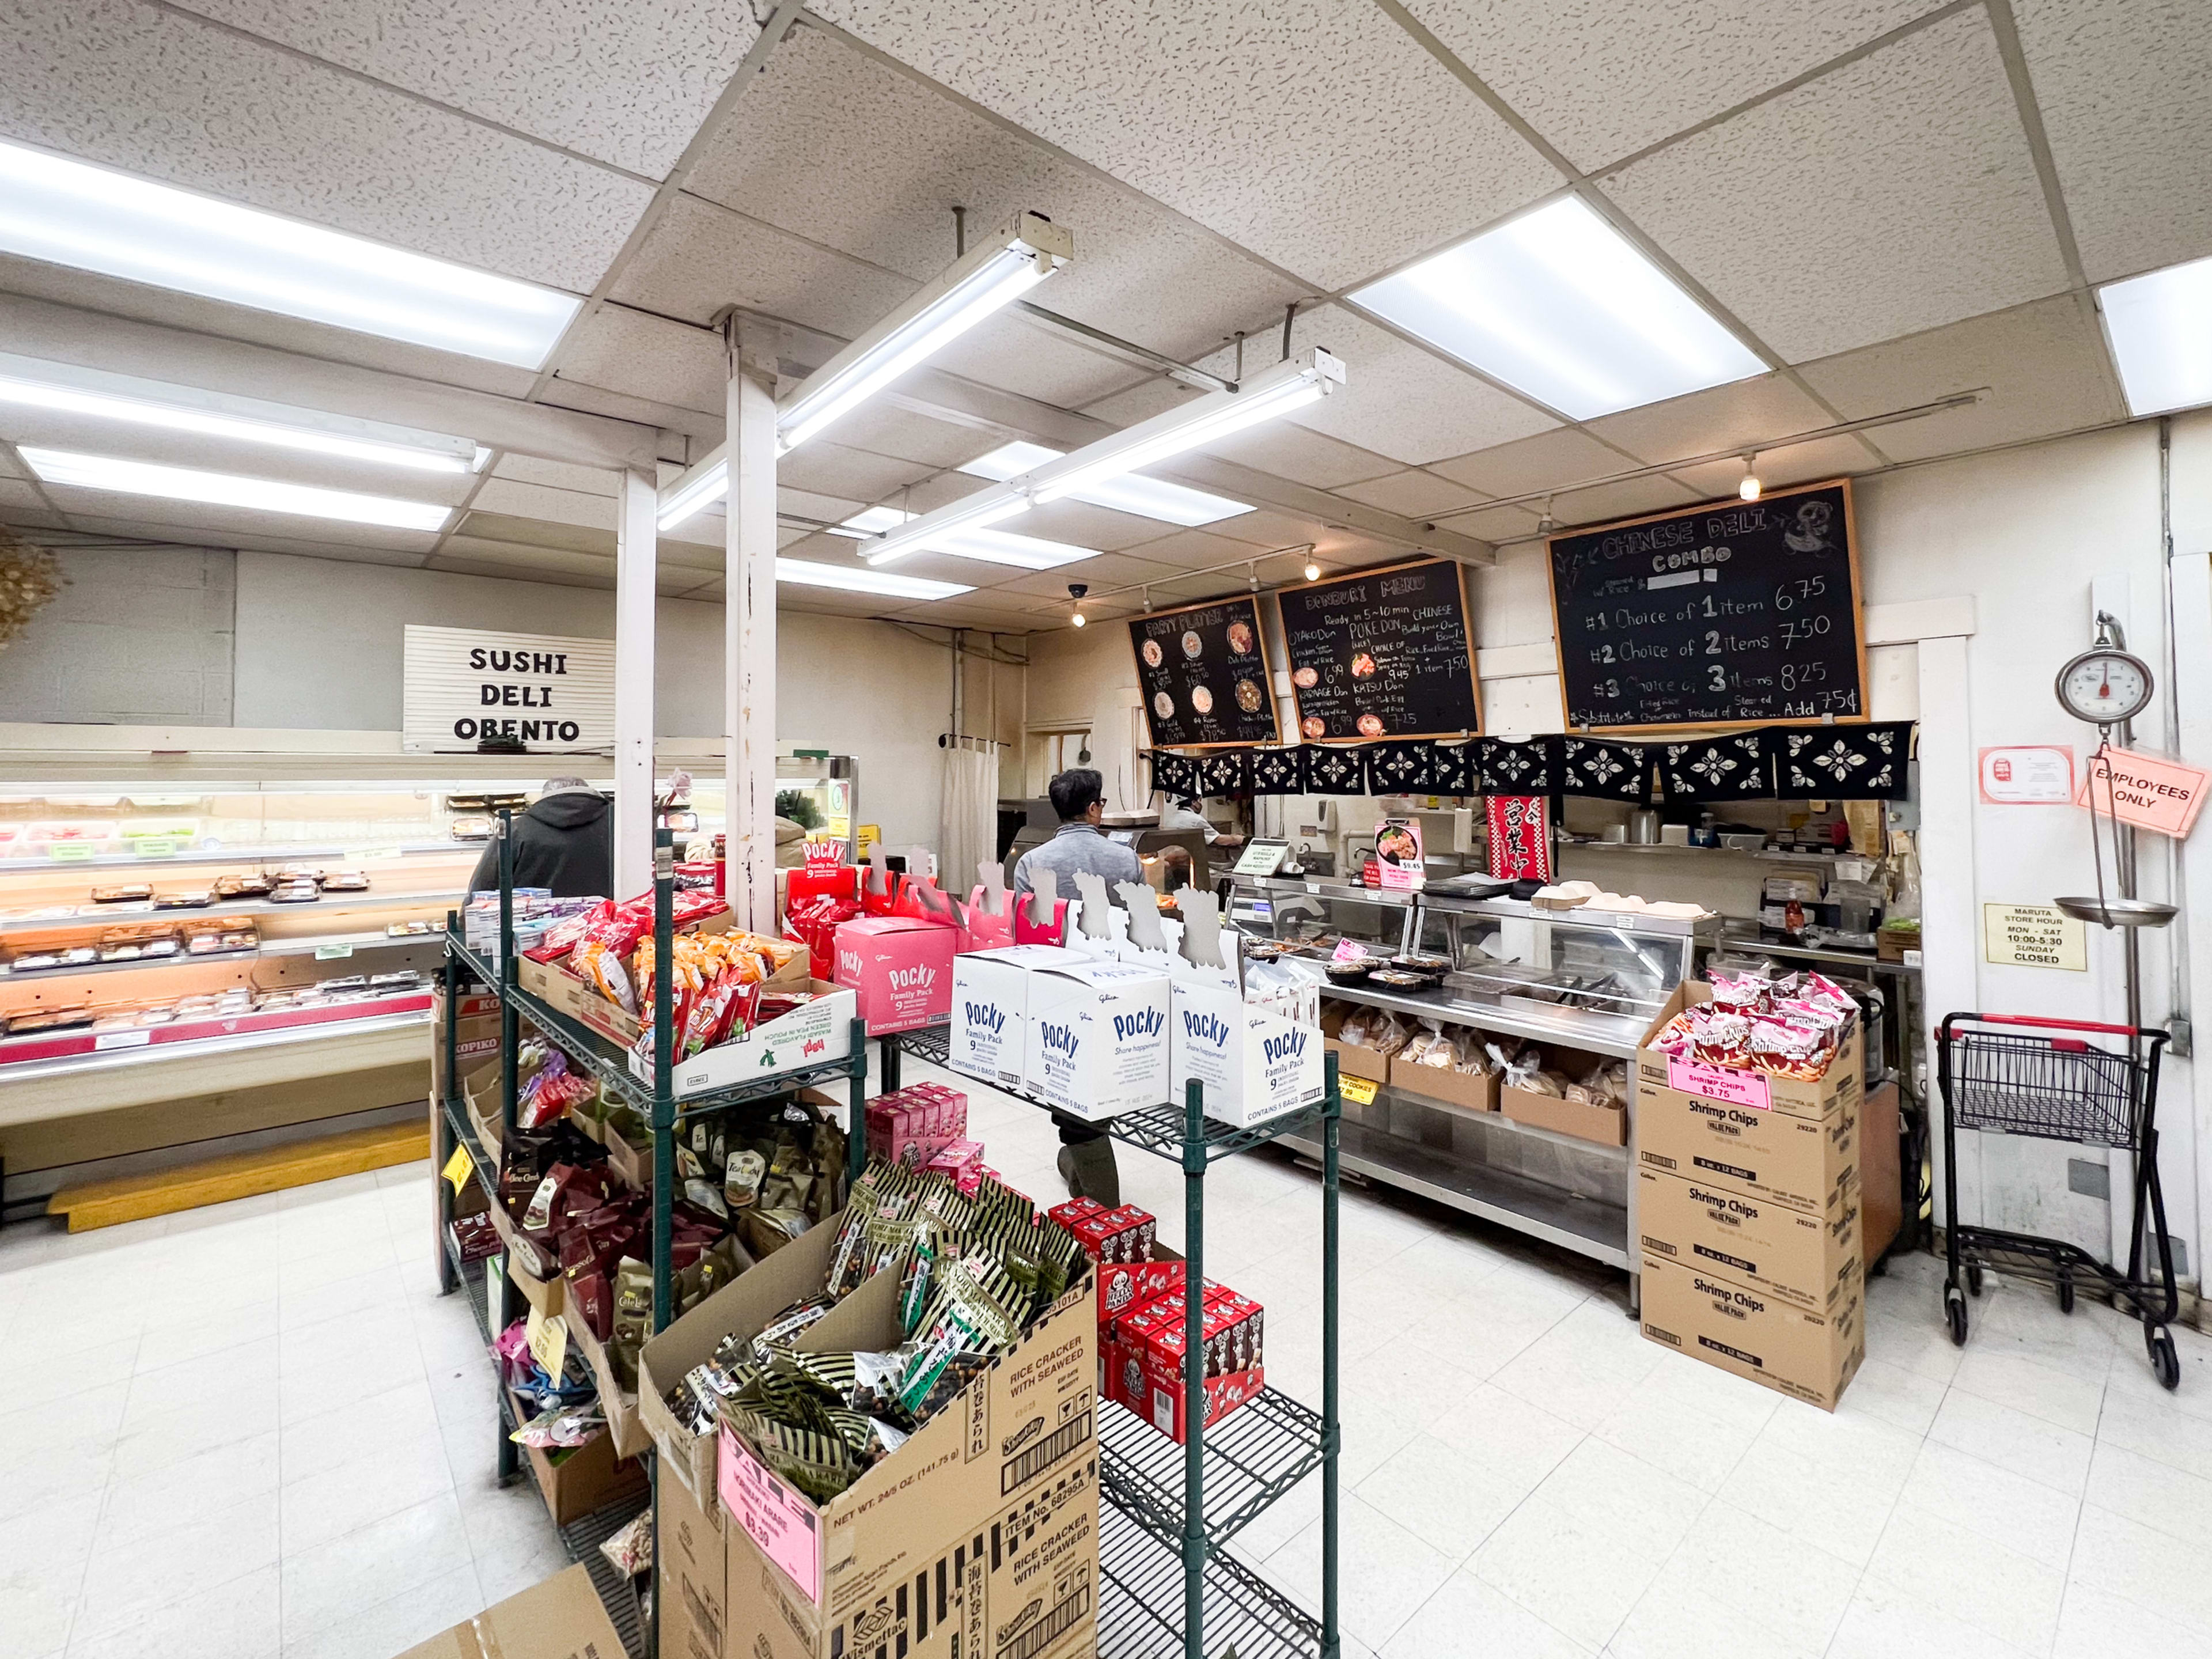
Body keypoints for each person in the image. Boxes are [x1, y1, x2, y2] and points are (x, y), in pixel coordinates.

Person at [1012, 768, 1139, 1206]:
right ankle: (1083, 1178)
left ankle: (1103, 1207)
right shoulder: (1126, 860)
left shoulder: (1032, 863)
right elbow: (1143, 931)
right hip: (1117, 991)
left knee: (1070, 1092)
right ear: (1092, 808)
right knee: (1100, 1087)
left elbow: (1025, 936)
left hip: (1058, 993)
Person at [468, 776, 612, 898]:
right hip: (609, 924)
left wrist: (464, 924)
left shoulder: (517, 831)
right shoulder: (619, 823)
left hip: (535, 928)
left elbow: (484, 886)